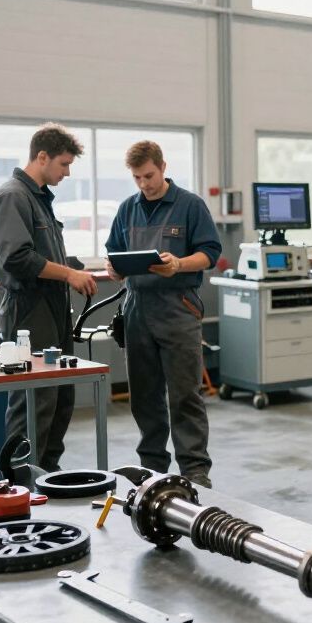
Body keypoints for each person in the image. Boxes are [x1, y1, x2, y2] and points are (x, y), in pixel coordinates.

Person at [105, 141, 221, 488]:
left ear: (163, 167)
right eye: (138, 178)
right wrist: (115, 270)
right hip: (137, 307)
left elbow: (210, 252)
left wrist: (180, 265)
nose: (145, 184)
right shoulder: (128, 209)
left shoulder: (190, 206)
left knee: (185, 392)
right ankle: (152, 465)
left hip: (177, 307)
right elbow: (113, 252)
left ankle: (195, 468)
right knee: (144, 393)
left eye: (150, 175)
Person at [0, 123, 98, 471]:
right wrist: (68, 274)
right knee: (33, 401)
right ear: (42, 156)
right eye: (64, 164)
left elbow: (45, 254)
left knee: (59, 396)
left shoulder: (38, 199)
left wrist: (77, 267)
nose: (66, 173)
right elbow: (17, 259)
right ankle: (22, 481)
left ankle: (47, 474)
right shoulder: (13, 197)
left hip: (51, 308)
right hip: (28, 313)